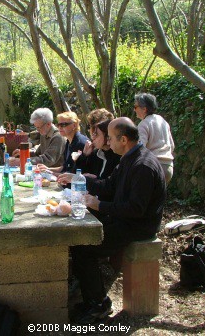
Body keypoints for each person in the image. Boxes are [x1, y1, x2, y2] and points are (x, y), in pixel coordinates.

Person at [70, 117, 166, 324]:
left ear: (123, 139)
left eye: (111, 138)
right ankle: (92, 300)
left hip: (138, 226)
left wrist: (100, 206)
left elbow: (135, 210)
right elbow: (109, 186)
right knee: (80, 238)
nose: (108, 143)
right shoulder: (129, 158)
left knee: (83, 247)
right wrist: (79, 178)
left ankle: (98, 304)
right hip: (123, 219)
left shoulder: (143, 165)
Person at [134, 93, 175, 183]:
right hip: (168, 167)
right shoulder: (162, 121)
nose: (134, 110)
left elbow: (141, 148)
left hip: (153, 167)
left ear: (144, 109)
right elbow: (171, 145)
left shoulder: (144, 124)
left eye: (136, 107)